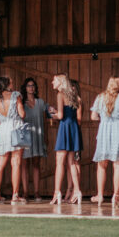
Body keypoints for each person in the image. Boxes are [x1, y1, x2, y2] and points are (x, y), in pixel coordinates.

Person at [90, 77, 119, 207]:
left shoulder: (100, 97)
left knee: (102, 165)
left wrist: (104, 118)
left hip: (104, 131)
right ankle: (116, 196)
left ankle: (100, 195)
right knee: (118, 165)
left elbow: (93, 117)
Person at [0, 76, 28, 203]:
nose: (13, 84)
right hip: (16, 127)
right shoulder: (15, 95)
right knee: (16, 162)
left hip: (3, 129)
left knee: (0, 164)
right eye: (11, 82)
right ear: (7, 84)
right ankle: (15, 195)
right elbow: (22, 114)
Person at [49, 73, 82, 205]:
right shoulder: (75, 96)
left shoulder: (60, 94)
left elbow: (61, 115)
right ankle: (77, 191)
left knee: (59, 163)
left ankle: (57, 192)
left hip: (65, 127)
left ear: (60, 82)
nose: (52, 82)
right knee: (72, 162)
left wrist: (52, 113)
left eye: (54, 80)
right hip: (73, 127)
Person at [20, 78, 47, 202]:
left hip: (38, 135)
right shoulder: (21, 103)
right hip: (25, 135)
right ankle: (25, 192)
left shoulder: (40, 102)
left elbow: (47, 117)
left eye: (33, 85)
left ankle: (36, 192)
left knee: (36, 164)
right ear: (25, 88)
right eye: (29, 85)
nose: (31, 88)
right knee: (24, 164)